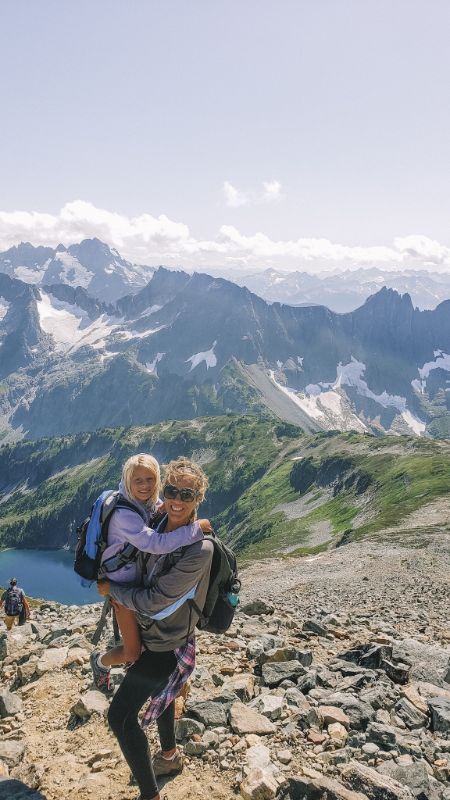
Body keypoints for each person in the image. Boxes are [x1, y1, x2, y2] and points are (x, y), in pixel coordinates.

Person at [97, 457, 214, 800]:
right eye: (172, 490)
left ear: (198, 498)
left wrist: (111, 590)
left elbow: (152, 602)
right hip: (151, 636)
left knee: (119, 716)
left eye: (187, 494)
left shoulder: (200, 549)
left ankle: (150, 795)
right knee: (162, 698)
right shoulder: (160, 518)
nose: (178, 500)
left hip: (165, 646)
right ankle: (168, 756)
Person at [90, 453, 212, 694]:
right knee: (133, 651)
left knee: (139, 649)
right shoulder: (125, 514)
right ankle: (100, 663)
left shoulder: (149, 506)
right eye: (138, 480)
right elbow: (155, 543)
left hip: (135, 587)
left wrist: (169, 505)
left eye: (150, 479)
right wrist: (194, 530)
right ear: (127, 481)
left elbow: (163, 510)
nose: (145, 485)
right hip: (122, 588)